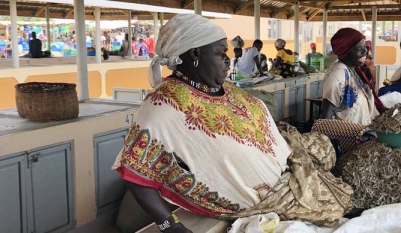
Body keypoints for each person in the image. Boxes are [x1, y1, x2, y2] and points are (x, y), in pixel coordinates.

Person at [113, 14, 354, 233]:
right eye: (220, 53)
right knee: (337, 205)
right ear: (195, 54)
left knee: (328, 156)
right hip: (270, 197)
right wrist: (169, 225)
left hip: (290, 166)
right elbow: (133, 170)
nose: (229, 59)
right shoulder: (163, 106)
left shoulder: (219, 87)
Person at [321, 28, 386, 126]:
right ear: (345, 51)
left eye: (365, 47)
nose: (365, 51)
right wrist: (324, 139)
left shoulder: (353, 70)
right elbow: (326, 113)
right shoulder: (338, 72)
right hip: (346, 138)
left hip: (361, 135)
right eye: (360, 49)